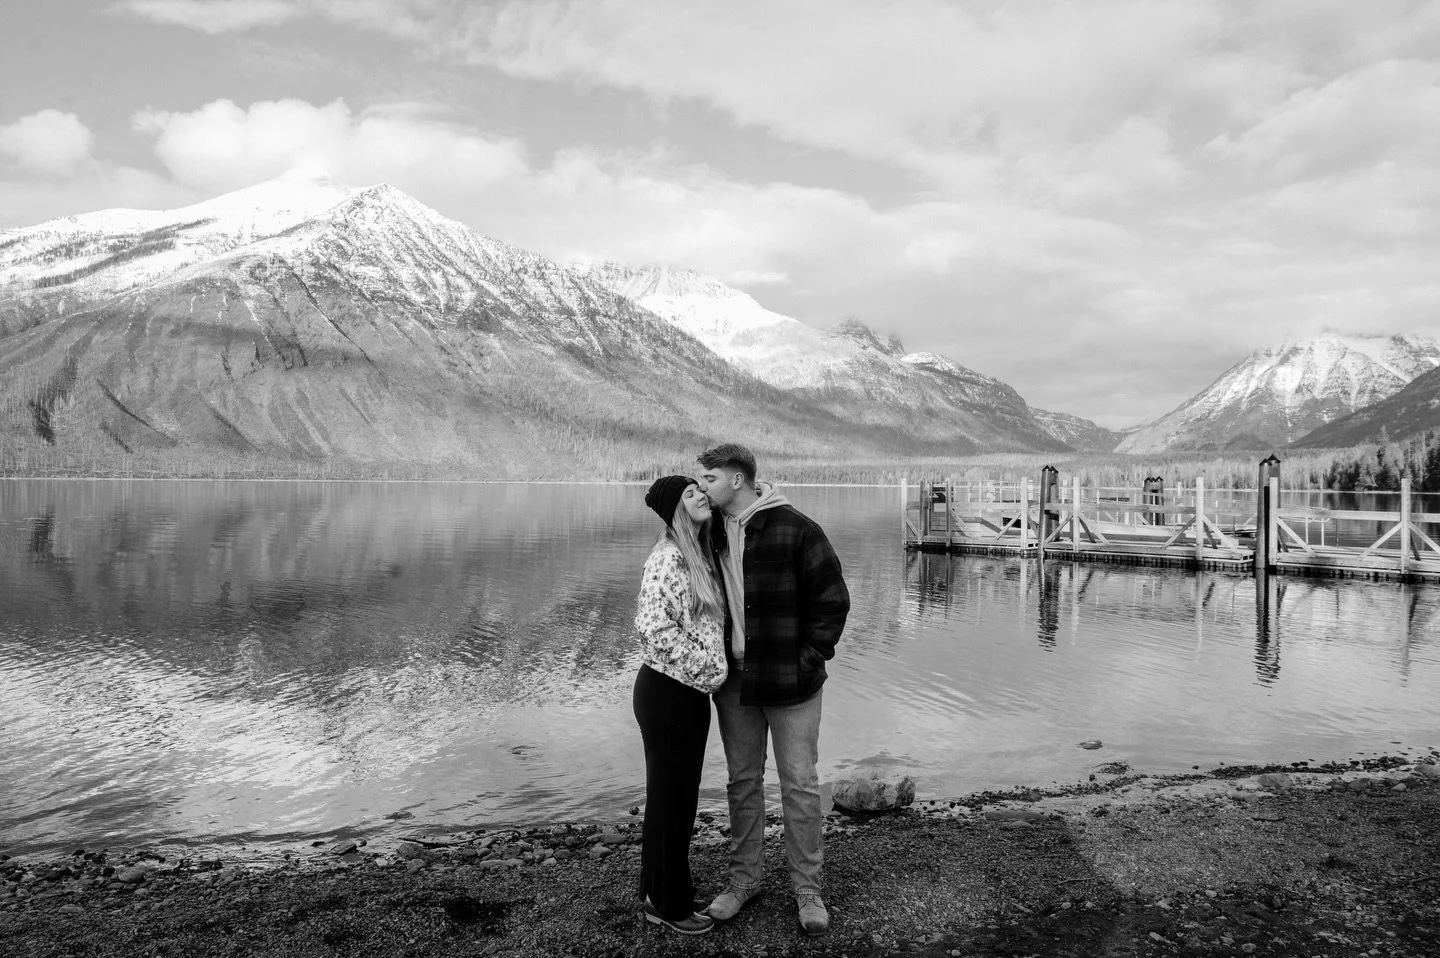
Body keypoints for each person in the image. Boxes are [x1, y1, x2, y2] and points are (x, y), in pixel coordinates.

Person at [695, 443, 850, 937]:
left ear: (737, 480)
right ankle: (745, 881)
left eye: (710, 479)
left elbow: (833, 603)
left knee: (800, 785)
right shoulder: (711, 532)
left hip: (792, 682)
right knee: (742, 783)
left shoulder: (797, 529)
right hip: (735, 683)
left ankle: (808, 889)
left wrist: (807, 661)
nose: (701, 487)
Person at [632, 474, 730, 935]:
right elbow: (653, 629)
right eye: (690, 494)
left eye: (701, 489)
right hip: (668, 691)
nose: (701, 495)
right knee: (670, 802)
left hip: (686, 694)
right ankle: (667, 904)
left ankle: (659, 889)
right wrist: (709, 671)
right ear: (674, 510)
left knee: (677, 800)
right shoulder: (668, 558)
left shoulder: (699, 555)